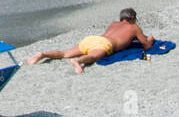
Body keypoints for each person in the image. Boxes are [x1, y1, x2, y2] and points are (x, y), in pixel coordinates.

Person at [26, 8, 154, 73]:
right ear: (132, 17)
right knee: (92, 56)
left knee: (64, 53)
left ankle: (42, 54)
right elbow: (147, 45)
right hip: (104, 44)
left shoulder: (113, 24)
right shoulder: (133, 27)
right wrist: (151, 38)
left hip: (93, 38)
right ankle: (78, 61)